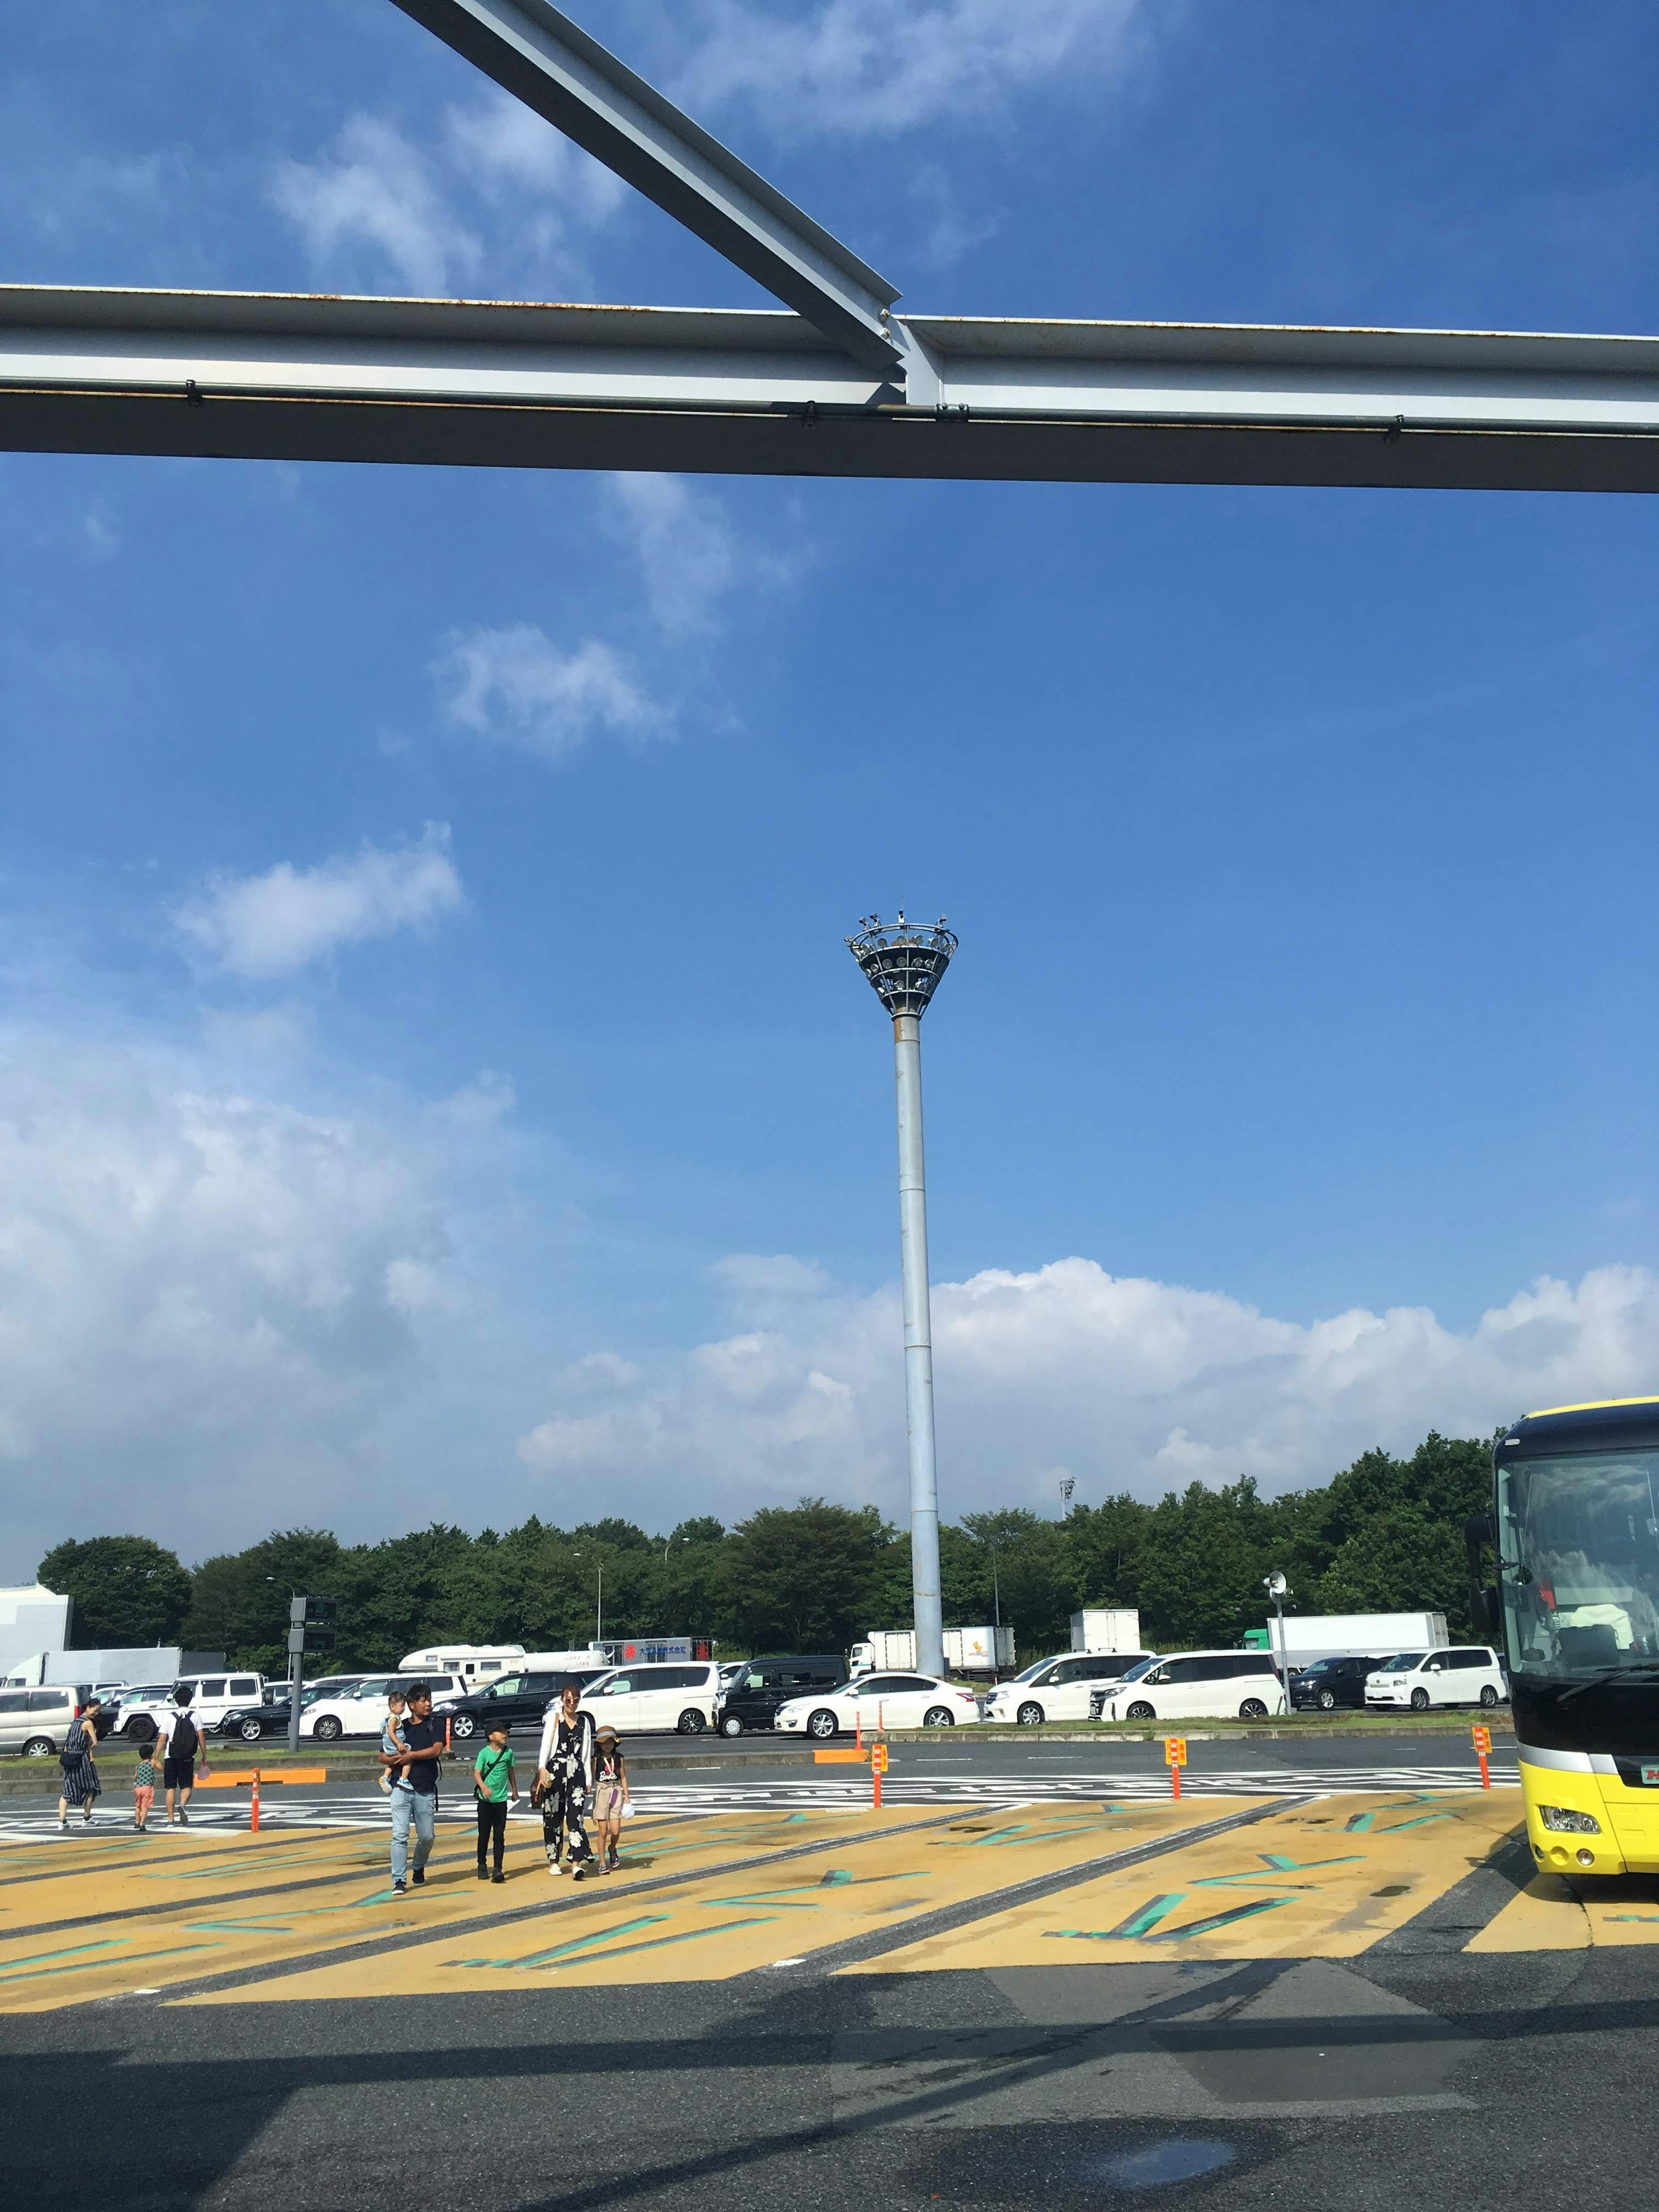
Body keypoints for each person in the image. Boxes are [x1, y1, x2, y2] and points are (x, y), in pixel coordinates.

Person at [381, 1681, 447, 1895]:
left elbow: (437, 1750)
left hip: (425, 1788)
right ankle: (399, 1880)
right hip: (401, 1787)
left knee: (427, 1836)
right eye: (423, 1700)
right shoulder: (401, 1726)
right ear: (410, 1704)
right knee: (400, 1835)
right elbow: (381, 1755)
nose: (428, 1704)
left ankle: (418, 1866)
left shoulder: (434, 1724)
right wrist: (395, 1758)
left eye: (429, 1699)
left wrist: (411, 1756)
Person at [535, 1678, 597, 1880]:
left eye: (576, 1700)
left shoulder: (584, 1722)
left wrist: (589, 1778)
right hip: (556, 1771)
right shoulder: (554, 1719)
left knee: (575, 1817)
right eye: (569, 1700)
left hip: (576, 1772)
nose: (572, 1704)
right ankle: (553, 1860)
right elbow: (546, 1746)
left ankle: (575, 1862)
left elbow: (586, 1752)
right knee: (553, 1816)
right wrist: (542, 1769)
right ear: (562, 1700)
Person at [473, 1718, 519, 1882]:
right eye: (501, 1732)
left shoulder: (509, 1753)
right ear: (491, 1736)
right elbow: (477, 1773)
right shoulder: (484, 1753)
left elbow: (510, 1771)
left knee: (499, 1835)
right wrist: (483, 1787)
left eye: (506, 1732)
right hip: (485, 1802)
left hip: (501, 1801)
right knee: (484, 1835)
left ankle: (498, 1869)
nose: (505, 1734)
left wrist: (514, 1789)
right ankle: (482, 1865)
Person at [156, 1685, 203, 1825]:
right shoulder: (195, 1716)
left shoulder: (170, 1717)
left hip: (171, 1756)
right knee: (186, 1786)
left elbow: (162, 1738)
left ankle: (171, 1820)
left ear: (176, 1700)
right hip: (188, 1756)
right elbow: (201, 1737)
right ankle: (182, 1804)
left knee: (171, 1788)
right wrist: (205, 1755)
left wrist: (156, 1757)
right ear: (190, 1700)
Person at [56, 1698, 102, 1829]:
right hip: (82, 1760)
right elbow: (95, 1742)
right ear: (88, 1708)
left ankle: (63, 1821)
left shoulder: (75, 1722)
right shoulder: (88, 1723)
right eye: (95, 1710)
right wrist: (89, 1749)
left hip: (69, 1758)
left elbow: (68, 1742)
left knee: (67, 1790)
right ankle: (87, 1818)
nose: (96, 1714)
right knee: (91, 1788)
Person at [591, 1723, 630, 1872]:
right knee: (603, 1831)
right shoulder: (596, 1759)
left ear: (615, 1743)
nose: (607, 1746)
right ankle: (602, 1863)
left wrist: (627, 1797)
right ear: (599, 1745)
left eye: (610, 1742)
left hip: (615, 1790)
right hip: (602, 1791)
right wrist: (588, 1787)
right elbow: (592, 1776)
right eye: (604, 1743)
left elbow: (624, 1777)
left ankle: (612, 1848)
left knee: (616, 1832)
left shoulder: (619, 1758)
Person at [378, 1690, 408, 1797]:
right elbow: (391, 1732)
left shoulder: (387, 1717)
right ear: (392, 1707)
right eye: (402, 1706)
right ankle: (403, 1779)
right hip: (393, 1746)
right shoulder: (394, 1719)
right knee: (409, 1758)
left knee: (393, 1763)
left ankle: (385, 1777)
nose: (404, 1708)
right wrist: (399, 1744)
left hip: (388, 1747)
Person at [132, 1739, 158, 1832]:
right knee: (145, 1806)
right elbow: (161, 1768)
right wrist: (156, 1760)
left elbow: (135, 1777)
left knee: (138, 1805)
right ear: (151, 1754)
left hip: (138, 1788)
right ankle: (143, 1824)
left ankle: (137, 1822)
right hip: (148, 1787)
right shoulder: (152, 1762)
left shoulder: (139, 1766)